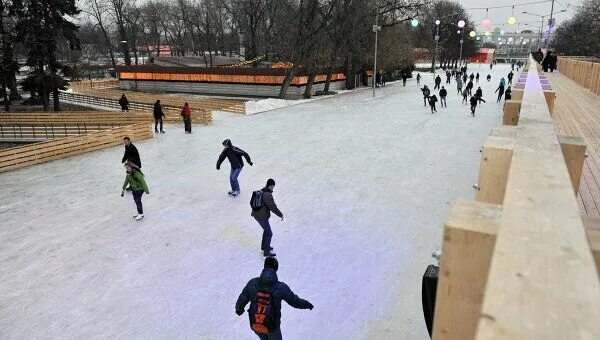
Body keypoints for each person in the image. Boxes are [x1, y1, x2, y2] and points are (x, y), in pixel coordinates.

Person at [235, 257, 313, 339]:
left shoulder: (252, 283)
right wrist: (307, 305)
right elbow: (295, 301)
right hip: (272, 326)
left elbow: (242, 298)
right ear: (276, 269)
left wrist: (239, 309)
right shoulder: (281, 287)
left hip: (256, 323)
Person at [251, 178, 283, 257]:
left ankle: (264, 247)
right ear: (268, 185)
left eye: (273, 186)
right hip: (261, 216)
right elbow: (272, 207)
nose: (272, 188)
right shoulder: (267, 194)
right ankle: (266, 252)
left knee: (266, 231)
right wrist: (280, 214)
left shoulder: (262, 191)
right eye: (271, 186)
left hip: (259, 215)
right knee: (269, 233)